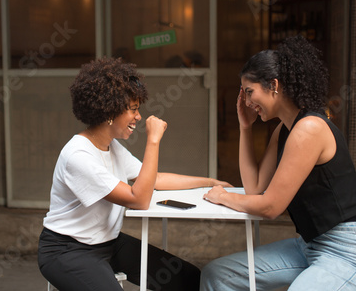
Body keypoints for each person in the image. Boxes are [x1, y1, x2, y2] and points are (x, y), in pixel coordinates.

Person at [200, 35, 356, 291]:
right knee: (217, 275)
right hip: (310, 245)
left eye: (250, 92)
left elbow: (270, 206)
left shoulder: (309, 128)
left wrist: (223, 196)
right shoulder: (285, 131)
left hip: (351, 252)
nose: (247, 102)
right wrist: (245, 128)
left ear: (274, 85)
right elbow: (254, 189)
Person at [38, 57, 231, 291]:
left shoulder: (112, 146)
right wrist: (153, 140)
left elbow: (154, 180)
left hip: (108, 243)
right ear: (110, 111)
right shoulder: (78, 156)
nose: (138, 117)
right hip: (67, 251)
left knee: (188, 278)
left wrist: (210, 181)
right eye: (133, 109)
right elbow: (139, 199)